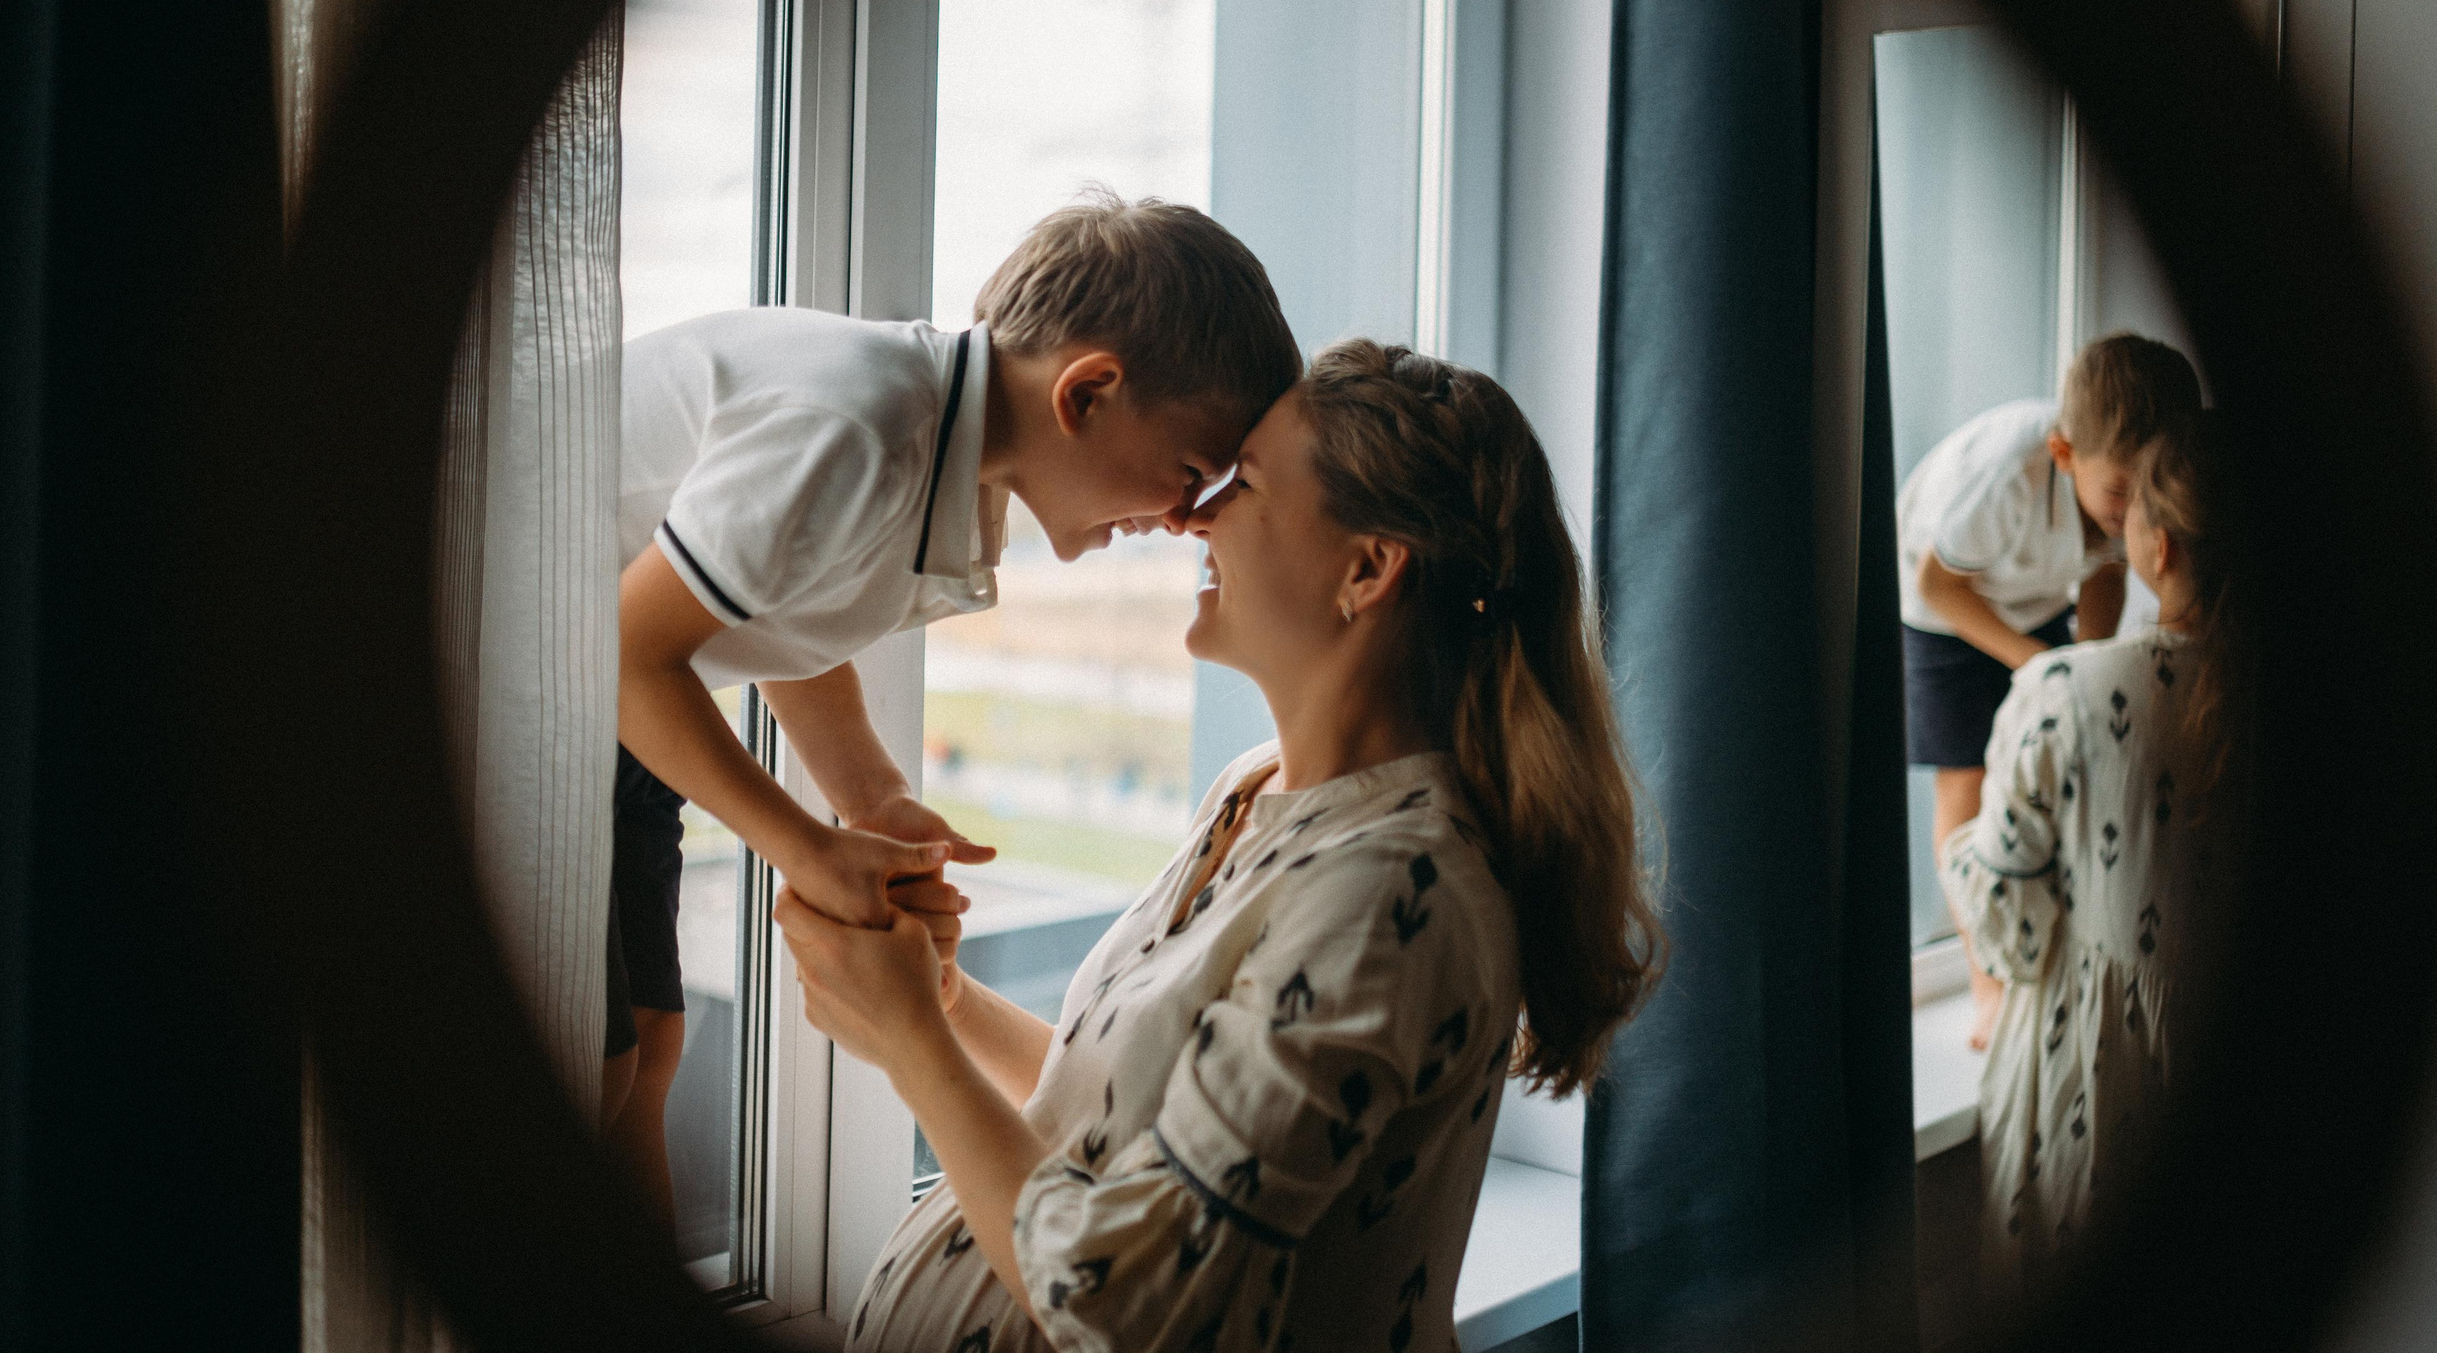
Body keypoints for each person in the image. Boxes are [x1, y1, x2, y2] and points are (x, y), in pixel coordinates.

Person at [777, 340, 1665, 1353]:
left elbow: (1134, 1306)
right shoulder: (1256, 791)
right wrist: (942, 1000)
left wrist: (911, 1045)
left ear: (1366, 569)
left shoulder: (1390, 887)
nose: (1190, 514)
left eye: (1244, 485)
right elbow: (1128, 1115)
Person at [603, 191, 1300, 1223]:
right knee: (597, 1056)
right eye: (1190, 473)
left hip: (609, 714)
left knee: (650, 1044)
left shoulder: (933, 464)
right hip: (519, 681)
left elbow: (777, 610)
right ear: (1088, 391)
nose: (1181, 519)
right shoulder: (861, 422)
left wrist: (870, 794)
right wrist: (803, 843)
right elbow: (619, 646)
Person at [1938, 412, 2251, 1294]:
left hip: (2095, 1082)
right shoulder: (2306, 698)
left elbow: (2013, 924)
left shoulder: (2066, 693)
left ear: (2158, 547)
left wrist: (1961, 851)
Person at [1899, 333, 2203, 1046]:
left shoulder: (2122, 507)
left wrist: (2088, 672)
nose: (2132, 512)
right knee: (1965, 783)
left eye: (2147, 498)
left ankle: (2049, 931)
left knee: (2059, 759)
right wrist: (2038, 665)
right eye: (2121, 493)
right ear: (2064, 455)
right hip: (1945, 607)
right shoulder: (2004, 477)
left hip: (2032, 595)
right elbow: (1937, 585)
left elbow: (2104, 571)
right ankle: (1986, 983)